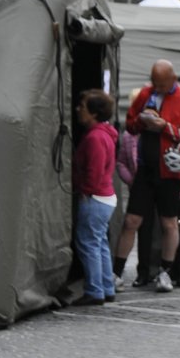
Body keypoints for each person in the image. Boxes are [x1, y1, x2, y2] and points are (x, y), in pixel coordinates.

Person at [113, 59, 180, 294]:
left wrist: (165, 126)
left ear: (173, 80)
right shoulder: (146, 93)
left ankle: (165, 272)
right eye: (155, 83)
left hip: (171, 171)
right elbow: (130, 125)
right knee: (131, 221)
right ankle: (116, 272)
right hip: (146, 169)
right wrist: (141, 122)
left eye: (162, 84)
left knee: (169, 222)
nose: (158, 88)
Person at [71, 90, 119, 306]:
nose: (78, 109)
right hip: (105, 196)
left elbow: (94, 172)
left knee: (88, 243)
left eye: (83, 106)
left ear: (94, 113)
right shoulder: (105, 134)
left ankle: (94, 290)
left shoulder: (94, 138)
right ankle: (106, 287)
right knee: (99, 244)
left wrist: (83, 189)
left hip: (95, 197)